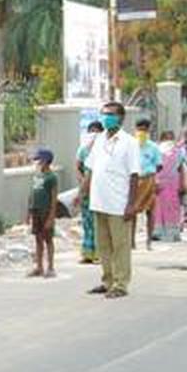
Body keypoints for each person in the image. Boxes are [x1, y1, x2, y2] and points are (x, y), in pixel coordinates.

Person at [82, 101, 140, 299]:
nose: (107, 118)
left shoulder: (129, 143)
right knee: (103, 245)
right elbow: (90, 169)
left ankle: (121, 283)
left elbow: (134, 175)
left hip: (119, 202)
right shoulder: (99, 140)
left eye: (111, 114)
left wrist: (132, 204)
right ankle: (107, 280)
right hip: (99, 201)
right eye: (104, 114)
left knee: (120, 245)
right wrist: (82, 192)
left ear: (121, 118)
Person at [26, 148, 58, 278]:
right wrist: (28, 212)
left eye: (39, 160)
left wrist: (51, 216)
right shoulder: (37, 175)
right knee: (38, 239)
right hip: (36, 211)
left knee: (48, 239)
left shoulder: (52, 177)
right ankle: (39, 266)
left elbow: (54, 198)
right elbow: (32, 194)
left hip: (46, 212)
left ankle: (50, 267)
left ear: (46, 161)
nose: (37, 163)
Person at [76, 121, 103, 264]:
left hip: (101, 190)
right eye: (91, 131)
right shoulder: (83, 150)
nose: (94, 134)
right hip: (87, 190)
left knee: (98, 222)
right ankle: (87, 252)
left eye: (97, 131)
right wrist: (82, 185)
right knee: (87, 222)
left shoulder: (105, 149)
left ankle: (99, 253)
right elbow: (78, 166)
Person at [152, 131, 185, 243]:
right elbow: (153, 168)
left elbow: (181, 169)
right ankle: (157, 231)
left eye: (171, 138)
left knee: (172, 206)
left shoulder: (178, 152)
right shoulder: (156, 150)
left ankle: (173, 232)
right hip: (159, 184)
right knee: (158, 208)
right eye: (167, 138)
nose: (169, 140)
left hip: (173, 184)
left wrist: (182, 184)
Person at [133, 119, 162, 250]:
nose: (142, 132)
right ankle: (131, 241)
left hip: (148, 179)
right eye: (139, 129)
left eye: (144, 129)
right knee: (132, 211)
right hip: (134, 180)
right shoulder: (130, 145)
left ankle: (148, 241)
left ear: (148, 130)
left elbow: (159, 165)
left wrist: (154, 177)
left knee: (150, 211)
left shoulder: (153, 147)